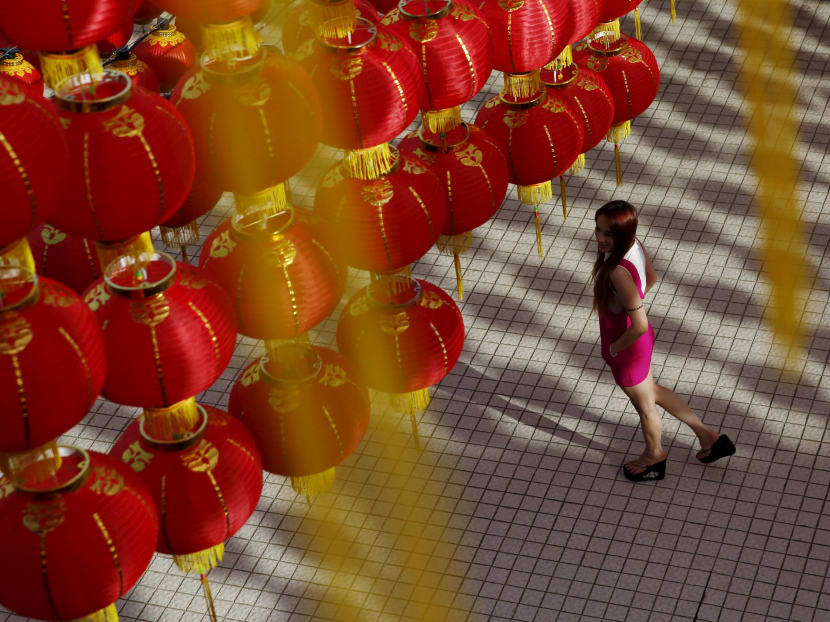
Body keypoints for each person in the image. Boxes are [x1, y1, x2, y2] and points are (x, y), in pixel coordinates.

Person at [592, 200, 735, 481]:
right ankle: (708, 437)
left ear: (621, 233)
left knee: (646, 408)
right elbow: (652, 278)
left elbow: (640, 324)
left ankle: (654, 456)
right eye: (597, 229)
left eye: (607, 234)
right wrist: (632, 300)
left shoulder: (617, 273)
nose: (600, 238)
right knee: (653, 392)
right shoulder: (635, 245)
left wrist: (614, 347)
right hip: (638, 344)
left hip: (628, 346)